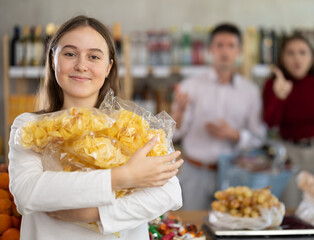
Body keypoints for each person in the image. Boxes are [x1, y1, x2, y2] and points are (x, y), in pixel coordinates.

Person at [8, 15, 184, 240]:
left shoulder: (129, 127)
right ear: (53, 60)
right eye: (70, 54)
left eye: (94, 56)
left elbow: (170, 193)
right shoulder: (30, 126)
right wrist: (124, 176)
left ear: (109, 66)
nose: (81, 65)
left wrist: (95, 214)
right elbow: (28, 192)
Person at [172, 23, 265, 210]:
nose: (225, 51)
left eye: (231, 46)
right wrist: (179, 114)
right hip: (195, 172)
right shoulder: (190, 86)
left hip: (235, 173)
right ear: (210, 50)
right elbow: (174, 135)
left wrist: (235, 135)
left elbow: (259, 138)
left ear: (239, 51)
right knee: (193, 230)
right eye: (219, 45)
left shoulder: (250, 91)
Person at [262, 34, 314, 208]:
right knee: (291, 208)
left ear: (312, 56)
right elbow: (270, 123)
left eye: (302, 52)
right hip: (290, 155)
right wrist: (279, 97)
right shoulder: (273, 84)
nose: (297, 58)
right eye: (290, 53)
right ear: (282, 57)